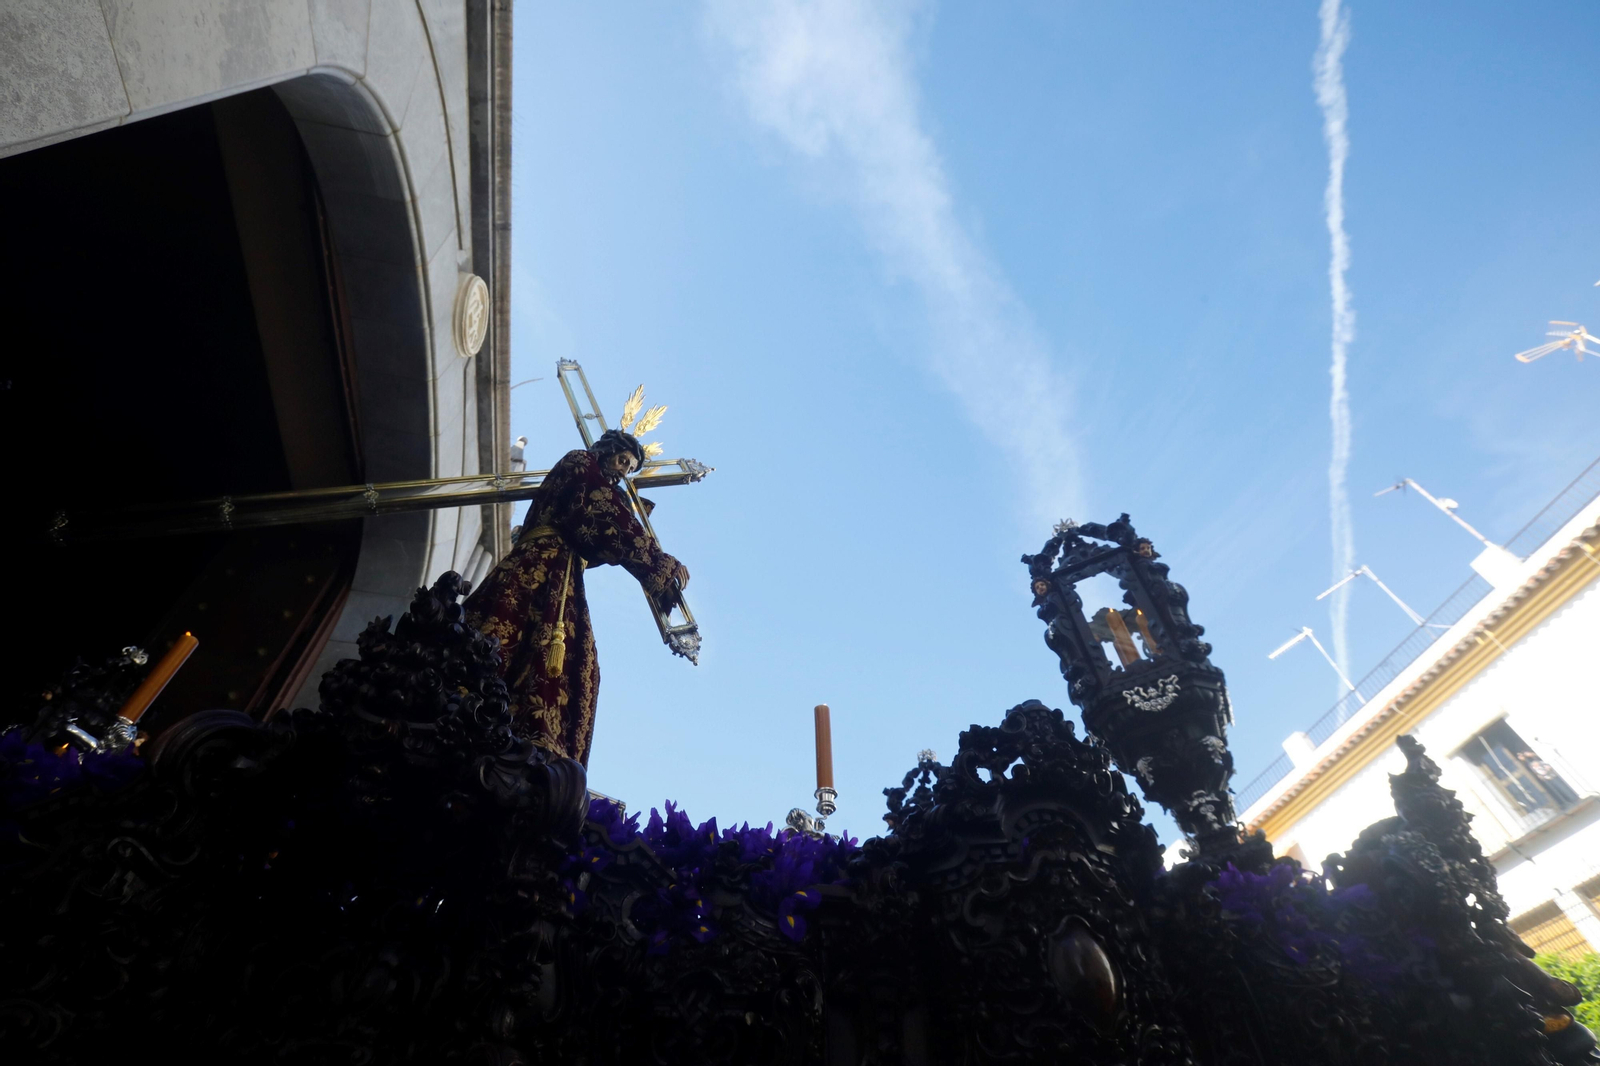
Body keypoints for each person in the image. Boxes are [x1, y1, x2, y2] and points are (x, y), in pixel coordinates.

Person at [464, 430, 689, 764]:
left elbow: (597, 545)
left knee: (580, 666)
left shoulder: (597, 489)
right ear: (606, 451)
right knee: (508, 640)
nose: (623, 471)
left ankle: (542, 751)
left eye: (630, 467)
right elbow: (600, 517)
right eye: (622, 460)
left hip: (563, 573)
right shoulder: (579, 462)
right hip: (538, 567)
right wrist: (658, 563)